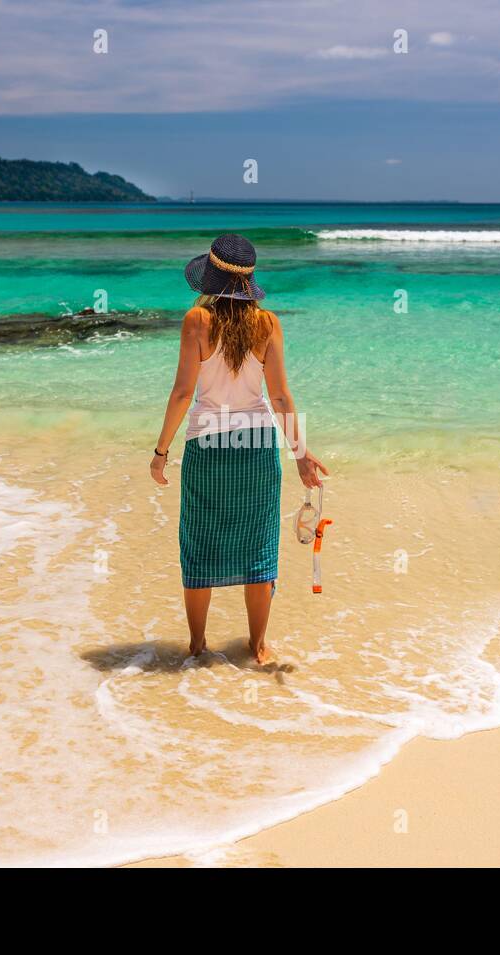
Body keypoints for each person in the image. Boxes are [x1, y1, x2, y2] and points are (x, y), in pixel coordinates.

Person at [150, 234, 327, 664]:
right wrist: (301, 453)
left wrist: (161, 451)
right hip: (257, 447)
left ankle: (196, 644)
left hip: (206, 444)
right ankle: (258, 645)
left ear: (210, 279)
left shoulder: (196, 320)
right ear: (250, 282)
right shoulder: (268, 324)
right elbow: (281, 396)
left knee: (200, 541)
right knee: (258, 542)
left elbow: (181, 393)